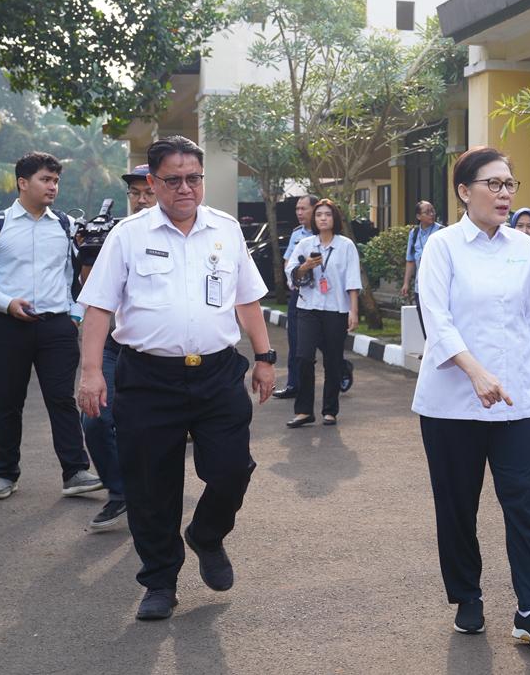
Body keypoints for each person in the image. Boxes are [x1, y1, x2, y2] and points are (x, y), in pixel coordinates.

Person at [76, 135, 276, 622]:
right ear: (152, 181)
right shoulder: (129, 235)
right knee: (150, 485)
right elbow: (98, 306)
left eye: (194, 178)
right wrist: (89, 372)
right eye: (173, 179)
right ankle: (160, 581)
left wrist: (265, 356)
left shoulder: (225, 231)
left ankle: (207, 533)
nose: (185, 188)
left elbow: (246, 299)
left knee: (232, 469)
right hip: (147, 378)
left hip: (216, 373)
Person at [412, 146, 530, 649]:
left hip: (517, 400)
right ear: (464, 191)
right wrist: (475, 373)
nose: (505, 194)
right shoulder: (443, 246)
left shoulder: (524, 249)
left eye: (510, 184)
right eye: (494, 184)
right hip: (452, 403)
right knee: (457, 505)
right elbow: (436, 318)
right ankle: (467, 596)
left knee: (524, 503)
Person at [0, 151, 103, 502]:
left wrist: (74, 314)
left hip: (57, 328)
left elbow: (75, 277)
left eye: (55, 180)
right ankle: (5, 474)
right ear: (23, 183)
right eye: (45, 179)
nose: (52, 186)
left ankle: (75, 472)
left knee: (61, 400)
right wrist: (6, 303)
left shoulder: (65, 226)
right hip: (9, 327)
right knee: (8, 401)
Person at [77, 164, 156, 532]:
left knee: (151, 430)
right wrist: (88, 249)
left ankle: (153, 499)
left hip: (157, 354)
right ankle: (120, 491)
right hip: (113, 345)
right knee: (94, 419)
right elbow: (88, 289)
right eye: (135, 193)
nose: (141, 200)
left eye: (148, 192)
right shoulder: (115, 233)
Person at [283, 199, 361, 427]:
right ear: (314, 220)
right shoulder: (305, 244)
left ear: (334, 218)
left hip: (336, 308)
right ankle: (304, 411)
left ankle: (330, 410)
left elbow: (352, 280)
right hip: (308, 306)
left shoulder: (346, 245)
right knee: (303, 357)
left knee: (333, 360)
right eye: (319, 215)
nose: (323, 218)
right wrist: (306, 266)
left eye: (327, 214)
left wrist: (353, 311)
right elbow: (291, 275)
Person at [273, 195, 317, 401]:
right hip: (299, 294)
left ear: (315, 209)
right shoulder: (296, 234)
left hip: (322, 295)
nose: (299, 213)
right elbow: (287, 261)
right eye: (297, 209)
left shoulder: (326, 234)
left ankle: (341, 370)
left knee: (326, 342)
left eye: (303, 209)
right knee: (295, 339)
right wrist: (292, 282)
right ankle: (293, 384)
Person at [400, 200, 444, 300]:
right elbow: (410, 260)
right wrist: (406, 283)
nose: (432, 214)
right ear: (418, 216)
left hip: (438, 287)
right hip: (419, 287)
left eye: (433, 211)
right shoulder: (414, 233)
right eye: (427, 212)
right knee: (421, 314)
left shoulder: (442, 231)